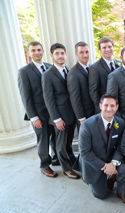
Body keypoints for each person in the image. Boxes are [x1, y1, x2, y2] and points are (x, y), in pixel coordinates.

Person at [79, 94, 125, 205]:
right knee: (102, 195)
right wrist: (104, 166)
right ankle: (105, 178)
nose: (109, 109)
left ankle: (121, 193)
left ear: (117, 107)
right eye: (106, 105)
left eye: (112, 105)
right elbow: (85, 152)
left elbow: (120, 146)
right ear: (100, 106)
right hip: (95, 163)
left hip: (112, 159)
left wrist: (113, 163)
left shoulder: (120, 123)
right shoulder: (87, 125)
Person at [17, 41, 58, 177]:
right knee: (43, 140)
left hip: (52, 111)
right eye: (33, 50)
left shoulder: (49, 67)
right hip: (38, 114)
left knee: (54, 137)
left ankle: (55, 157)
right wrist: (33, 117)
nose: (36, 52)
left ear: (43, 51)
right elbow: (25, 96)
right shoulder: (24, 72)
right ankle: (45, 165)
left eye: (39, 50)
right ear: (29, 53)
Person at [42, 43, 79, 179]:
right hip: (59, 118)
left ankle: (72, 162)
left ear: (65, 54)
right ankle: (66, 169)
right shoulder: (48, 75)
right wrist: (56, 119)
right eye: (57, 53)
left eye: (62, 53)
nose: (60, 56)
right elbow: (49, 99)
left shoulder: (68, 70)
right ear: (52, 56)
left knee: (68, 143)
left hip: (71, 114)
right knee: (61, 145)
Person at [89, 37, 120, 113]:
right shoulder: (94, 68)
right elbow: (94, 91)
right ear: (100, 50)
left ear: (113, 47)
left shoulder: (119, 64)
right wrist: (101, 109)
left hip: (119, 107)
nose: (107, 49)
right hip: (105, 109)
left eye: (109, 47)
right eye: (104, 47)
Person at [67, 41, 94, 125]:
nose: (85, 55)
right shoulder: (73, 73)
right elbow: (75, 99)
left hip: (94, 112)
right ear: (76, 54)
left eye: (87, 52)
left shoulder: (91, 68)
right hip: (84, 116)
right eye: (81, 52)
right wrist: (81, 118)